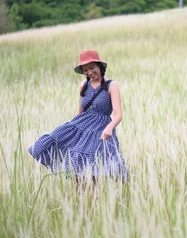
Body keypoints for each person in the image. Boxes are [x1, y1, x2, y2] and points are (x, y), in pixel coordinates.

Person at [28, 49, 128, 185]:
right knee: (76, 171)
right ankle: (80, 203)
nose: (89, 72)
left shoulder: (111, 85)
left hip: (100, 131)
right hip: (82, 126)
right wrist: (68, 130)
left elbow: (118, 114)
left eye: (92, 68)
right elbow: (79, 113)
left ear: (100, 66)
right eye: (85, 70)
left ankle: (93, 203)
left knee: (93, 172)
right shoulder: (83, 86)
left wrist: (109, 128)